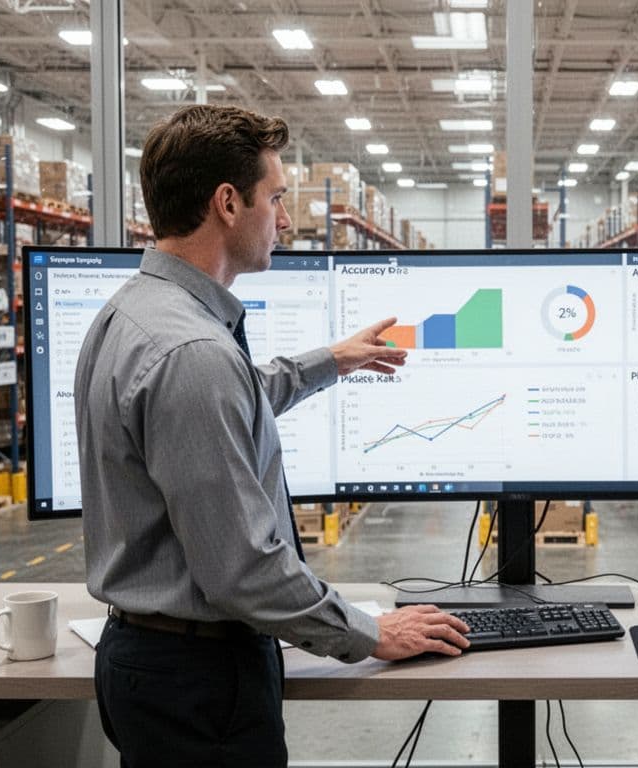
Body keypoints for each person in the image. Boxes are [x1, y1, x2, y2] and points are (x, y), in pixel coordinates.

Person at [75, 104, 471, 767]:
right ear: (228, 203)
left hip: (159, 667)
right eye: (276, 198)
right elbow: (245, 571)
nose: (286, 220)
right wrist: (372, 633)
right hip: (200, 680)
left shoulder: (133, 313)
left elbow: (226, 406)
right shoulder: (190, 353)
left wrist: (330, 361)